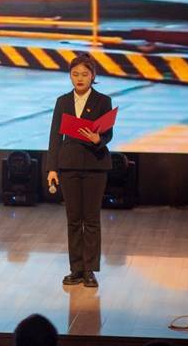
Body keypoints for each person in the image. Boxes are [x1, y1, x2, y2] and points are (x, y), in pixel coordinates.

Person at [47, 54, 113, 288]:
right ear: (70, 76)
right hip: (69, 166)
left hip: (95, 165)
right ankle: (76, 269)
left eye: (85, 74)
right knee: (73, 219)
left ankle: (90, 270)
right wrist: (52, 168)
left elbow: (108, 133)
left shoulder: (103, 101)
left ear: (92, 76)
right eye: (75, 74)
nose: (80, 78)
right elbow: (55, 137)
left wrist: (98, 139)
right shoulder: (63, 101)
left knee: (91, 219)